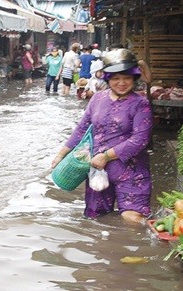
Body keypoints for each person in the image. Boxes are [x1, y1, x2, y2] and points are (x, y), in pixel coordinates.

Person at [51, 48, 153, 224]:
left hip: (131, 172)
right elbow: (82, 129)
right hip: (97, 171)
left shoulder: (140, 104)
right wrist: (61, 154)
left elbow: (140, 140)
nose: (121, 83)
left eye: (126, 78)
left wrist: (106, 156)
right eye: (115, 78)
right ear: (107, 78)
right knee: (95, 220)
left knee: (133, 219)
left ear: (134, 78)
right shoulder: (98, 99)